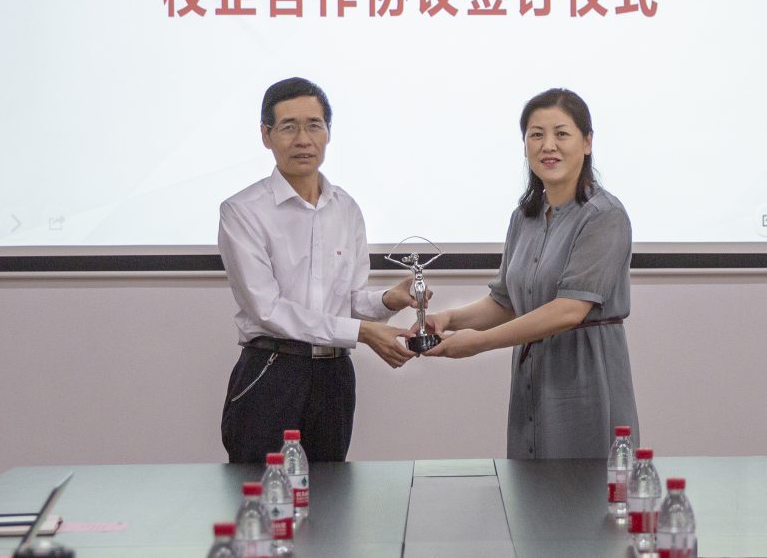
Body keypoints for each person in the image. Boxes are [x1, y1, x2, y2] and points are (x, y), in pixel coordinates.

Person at [423, 88, 640, 458]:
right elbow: (506, 302)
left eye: (561, 134)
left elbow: (569, 310)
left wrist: (478, 342)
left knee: (582, 486)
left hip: (586, 376)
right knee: (529, 485)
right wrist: (448, 319)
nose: (548, 146)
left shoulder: (605, 215)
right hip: (532, 378)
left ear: (587, 142)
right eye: (536, 135)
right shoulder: (524, 217)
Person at [218, 76, 417, 464]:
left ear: (328, 133)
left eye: (314, 125)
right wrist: (362, 332)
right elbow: (268, 310)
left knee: (332, 491)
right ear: (266, 135)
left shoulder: (346, 208)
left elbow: (347, 302)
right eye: (288, 127)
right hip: (271, 371)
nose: (303, 139)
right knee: (260, 488)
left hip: (333, 375)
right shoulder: (242, 211)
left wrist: (388, 300)